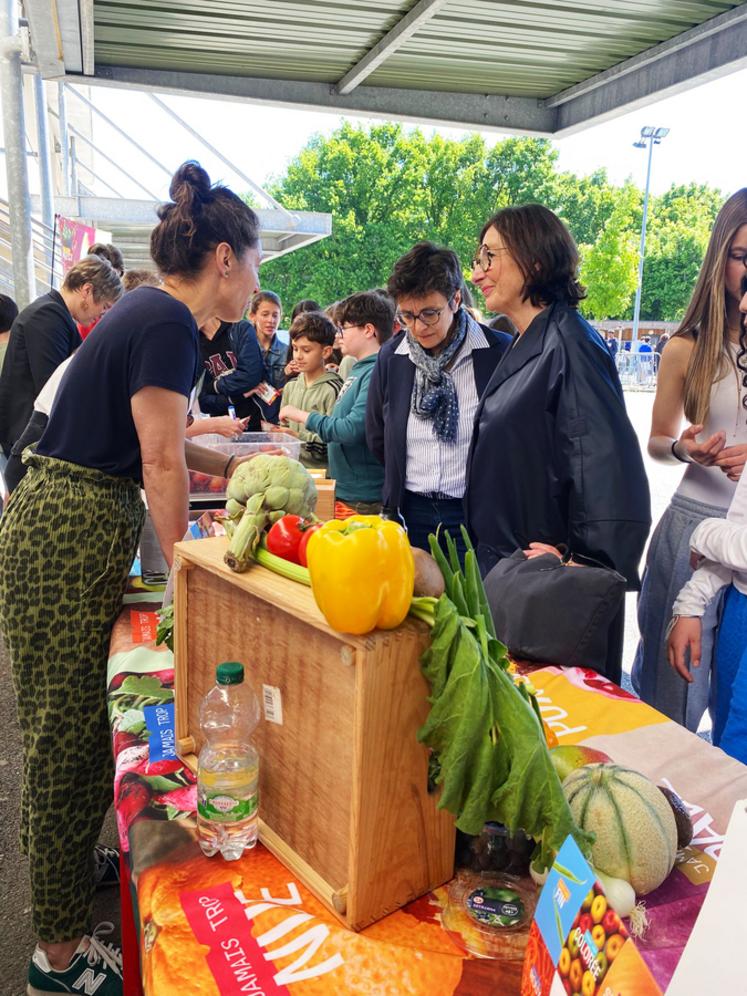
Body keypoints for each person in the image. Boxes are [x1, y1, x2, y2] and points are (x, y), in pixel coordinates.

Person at [0, 160, 263, 994]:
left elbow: (169, 440)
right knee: (64, 732)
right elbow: (155, 457)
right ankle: (58, 956)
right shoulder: (166, 324)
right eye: (253, 263)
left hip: (66, 518)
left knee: (72, 720)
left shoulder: (151, 313)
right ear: (225, 258)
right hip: (68, 526)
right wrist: (193, 568)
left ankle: (67, 884)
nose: (255, 280)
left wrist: (235, 459)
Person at [467, 204, 650, 684]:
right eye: (477, 258)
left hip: (550, 591)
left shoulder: (571, 344)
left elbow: (606, 471)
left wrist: (578, 563)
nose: (477, 272)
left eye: (489, 257)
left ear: (534, 260)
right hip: (515, 574)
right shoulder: (532, 338)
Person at [632, 188, 747, 729]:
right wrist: (686, 449)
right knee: (670, 699)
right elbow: (657, 440)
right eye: (742, 255)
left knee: (735, 709)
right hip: (694, 526)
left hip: (743, 541)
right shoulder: (686, 347)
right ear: (720, 256)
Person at [366, 241, 512, 553]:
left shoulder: (500, 353)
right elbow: (378, 435)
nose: (418, 327)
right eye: (407, 315)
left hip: (474, 515)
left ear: (456, 299)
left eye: (430, 313)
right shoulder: (392, 356)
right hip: (409, 513)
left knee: (472, 600)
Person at [667, 278, 747, 763]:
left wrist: (703, 533)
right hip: (737, 607)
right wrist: (691, 601)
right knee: (727, 749)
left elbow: (728, 538)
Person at [279, 290, 394, 512]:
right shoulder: (359, 369)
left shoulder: (374, 372)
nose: (339, 335)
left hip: (363, 498)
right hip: (348, 492)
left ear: (368, 330)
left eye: (344, 328)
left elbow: (351, 429)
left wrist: (300, 415)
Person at [0, 256, 123, 461]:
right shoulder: (47, 316)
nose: (102, 314)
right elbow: (54, 388)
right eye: (105, 306)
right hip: (26, 443)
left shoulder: (55, 314)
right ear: (87, 290)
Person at [277, 311, 342, 467]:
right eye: (295, 348)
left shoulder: (333, 389)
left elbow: (334, 442)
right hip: (292, 471)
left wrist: (296, 436)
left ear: (326, 352)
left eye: (306, 350)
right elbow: (283, 427)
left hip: (324, 477)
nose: (298, 356)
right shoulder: (290, 386)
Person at [197, 314, 265, 430]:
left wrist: (214, 386)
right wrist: (239, 395)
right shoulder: (194, 345)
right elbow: (202, 402)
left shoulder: (240, 329)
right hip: (223, 428)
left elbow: (250, 377)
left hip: (257, 422)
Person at [249, 290, 287, 390]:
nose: (271, 320)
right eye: (265, 314)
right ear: (252, 316)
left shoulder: (287, 351)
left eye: (275, 315)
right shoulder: (242, 349)